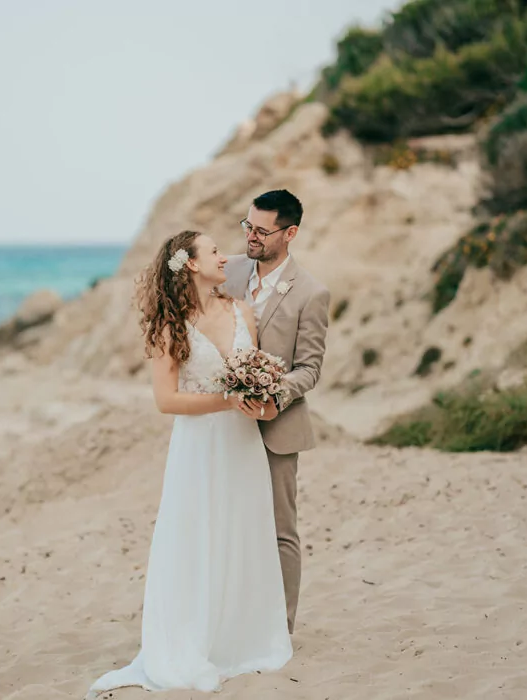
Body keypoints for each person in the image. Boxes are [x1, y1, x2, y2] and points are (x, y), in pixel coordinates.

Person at [86, 229, 292, 697]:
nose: (226, 256)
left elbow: (256, 381)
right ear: (192, 265)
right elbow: (166, 400)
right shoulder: (170, 327)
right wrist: (225, 400)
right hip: (198, 447)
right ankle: (191, 638)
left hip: (242, 443)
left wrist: (262, 402)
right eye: (215, 251)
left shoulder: (242, 312)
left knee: (242, 531)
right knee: (195, 536)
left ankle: (241, 638)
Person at [222, 189, 330, 635]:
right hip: (225, 423)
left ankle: (279, 629)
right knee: (230, 522)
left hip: (278, 427)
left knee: (280, 530)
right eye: (248, 226)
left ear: (290, 234)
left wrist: (273, 393)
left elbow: (310, 367)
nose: (251, 236)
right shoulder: (227, 272)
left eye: (262, 231)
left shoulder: (312, 293)